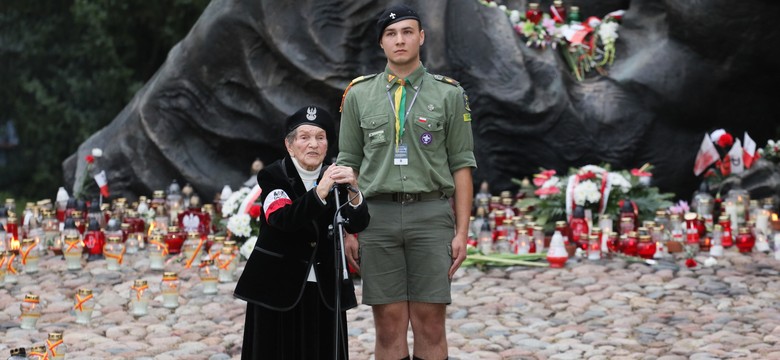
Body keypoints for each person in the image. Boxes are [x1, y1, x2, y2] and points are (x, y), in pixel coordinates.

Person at [337, 5, 476, 360]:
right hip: (376, 218)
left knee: (431, 324)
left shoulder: (449, 94)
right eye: (391, 34)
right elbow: (348, 165)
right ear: (381, 43)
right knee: (388, 326)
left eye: (408, 32)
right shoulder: (359, 95)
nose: (400, 40)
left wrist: (462, 231)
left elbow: (462, 166)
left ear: (421, 37)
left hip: (430, 215)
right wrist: (350, 229)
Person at [234, 105, 370, 359]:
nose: (313, 145)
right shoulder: (274, 175)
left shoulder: (337, 177)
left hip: (325, 286)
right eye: (304, 137)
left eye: (320, 137)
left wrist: (353, 189)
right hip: (276, 287)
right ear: (290, 145)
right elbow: (282, 218)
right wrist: (320, 191)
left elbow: (358, 224)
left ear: (328, 145)